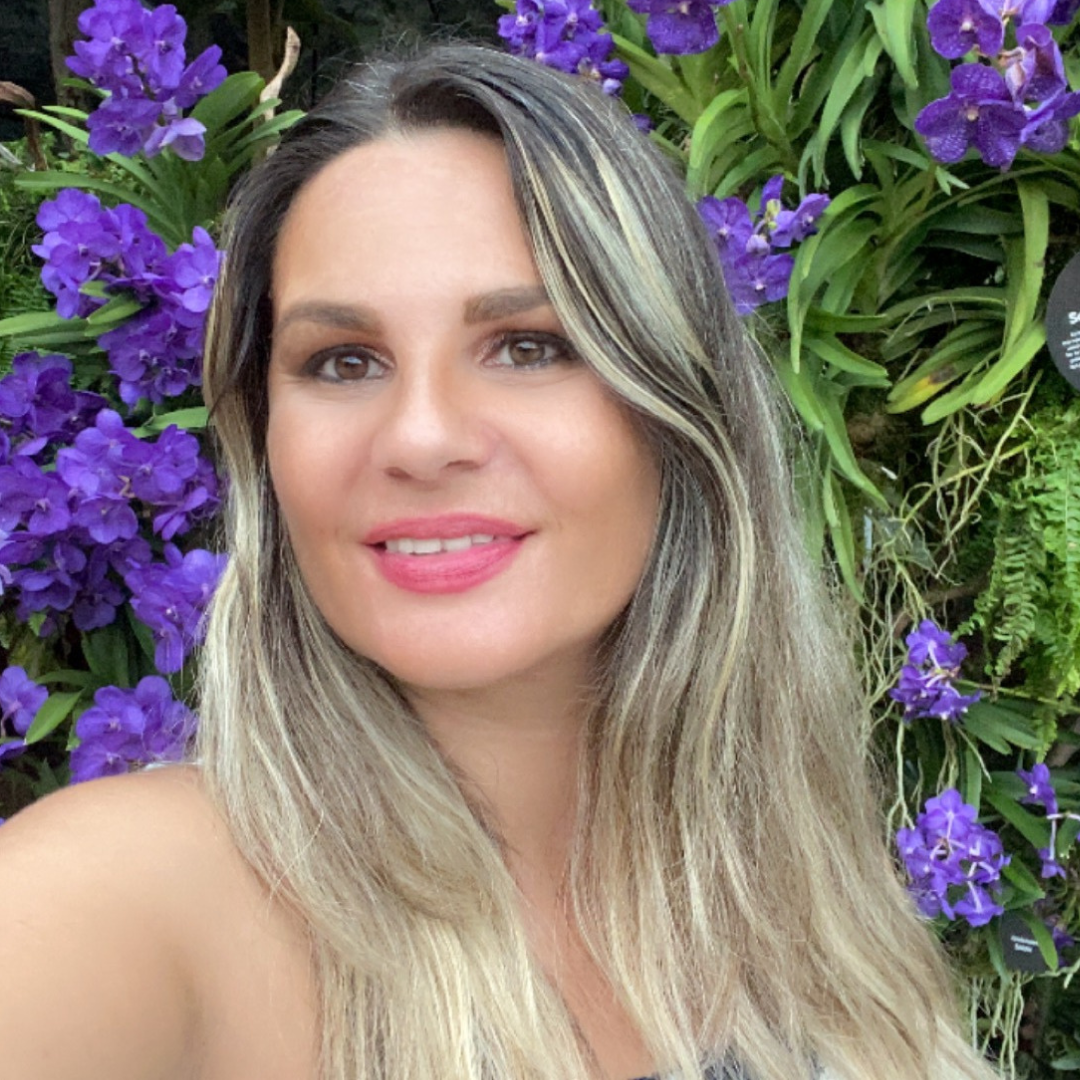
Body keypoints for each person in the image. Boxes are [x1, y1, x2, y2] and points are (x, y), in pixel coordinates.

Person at [0, 43, 995, 1080]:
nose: (421, 438)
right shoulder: (117, 902)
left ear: (679, 413)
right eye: (343, 361)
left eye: (528, 346)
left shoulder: (798, 894)